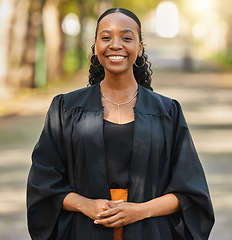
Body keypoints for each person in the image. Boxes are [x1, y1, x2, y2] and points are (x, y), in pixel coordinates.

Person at [27, 8, 214, 240]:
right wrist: (85, 205)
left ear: (140, 47)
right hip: (84, 231)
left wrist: (139, 211)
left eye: (127, 38)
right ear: (95, 46)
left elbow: (190, 191)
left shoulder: (167, 112)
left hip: (151, 232)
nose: (116, 45)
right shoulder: (66, 108)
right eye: (106, 37)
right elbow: (43, 181)